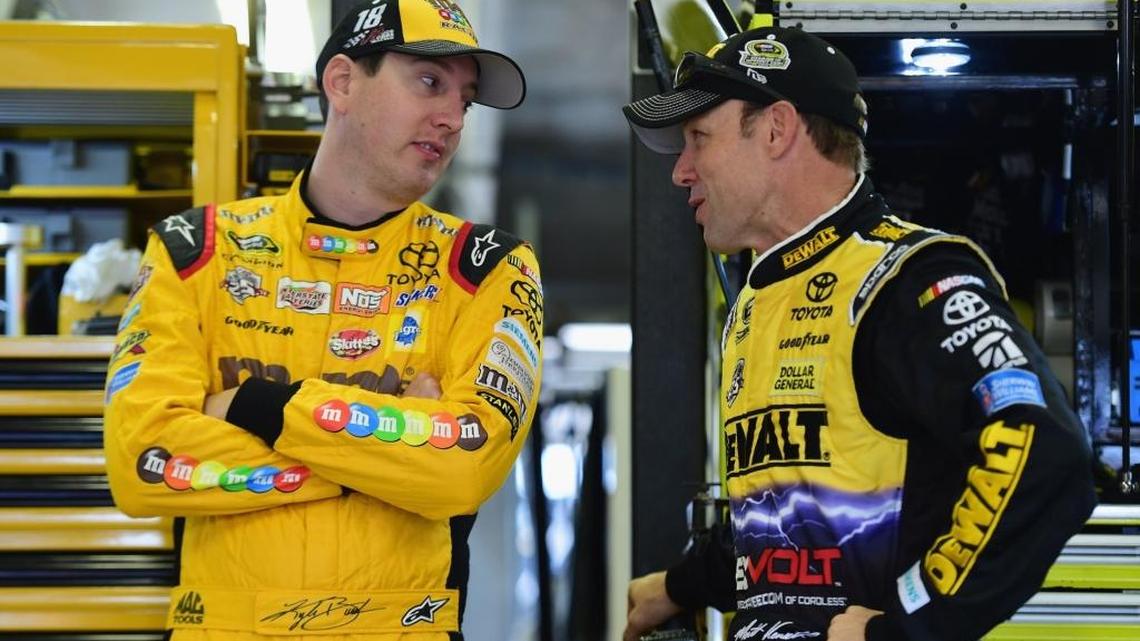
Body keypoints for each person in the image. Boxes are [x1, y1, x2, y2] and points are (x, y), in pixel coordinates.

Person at [621, 26, 1096, 641]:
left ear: (776, 129)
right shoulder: (760, 300)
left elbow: (1042, 452)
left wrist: (912, 623)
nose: (682, 171)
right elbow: (794, 518)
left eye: (698, 139)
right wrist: (679, 585)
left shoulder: (906, 278)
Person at [103, 1, 543, 638]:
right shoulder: (193, 249)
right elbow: (140, 459)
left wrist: (260, 406)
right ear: (341, 82)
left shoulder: (488, 268)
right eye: (429, 82)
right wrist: (392, 452)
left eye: (466, 100)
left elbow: (460, 469)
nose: (450, 118)